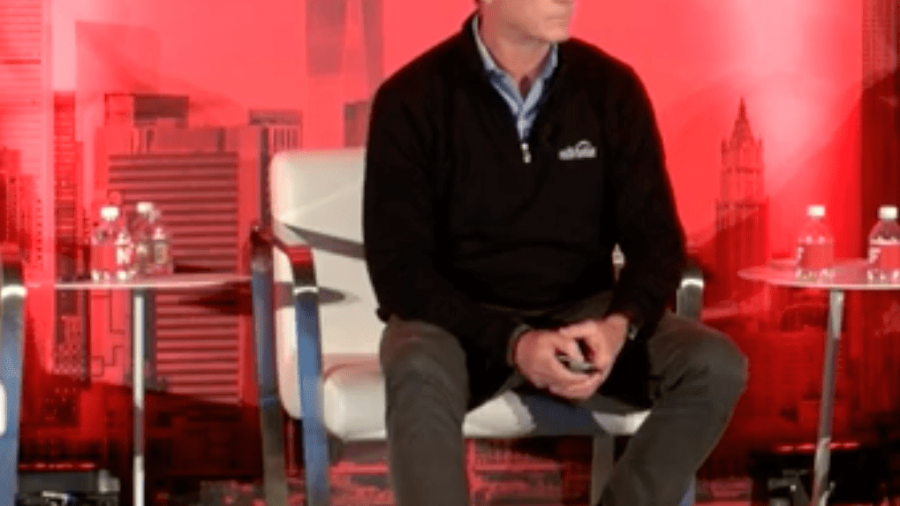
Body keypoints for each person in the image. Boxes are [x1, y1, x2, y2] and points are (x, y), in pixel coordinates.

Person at [362, 1, 748, 505]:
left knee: (714, 365)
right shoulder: (412, 98)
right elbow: (399, 273)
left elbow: (657, 244)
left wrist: (618, 326)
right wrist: (515, 343)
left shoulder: (610, 88)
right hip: (460, 322)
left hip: (582, 316)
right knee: (414, 364)